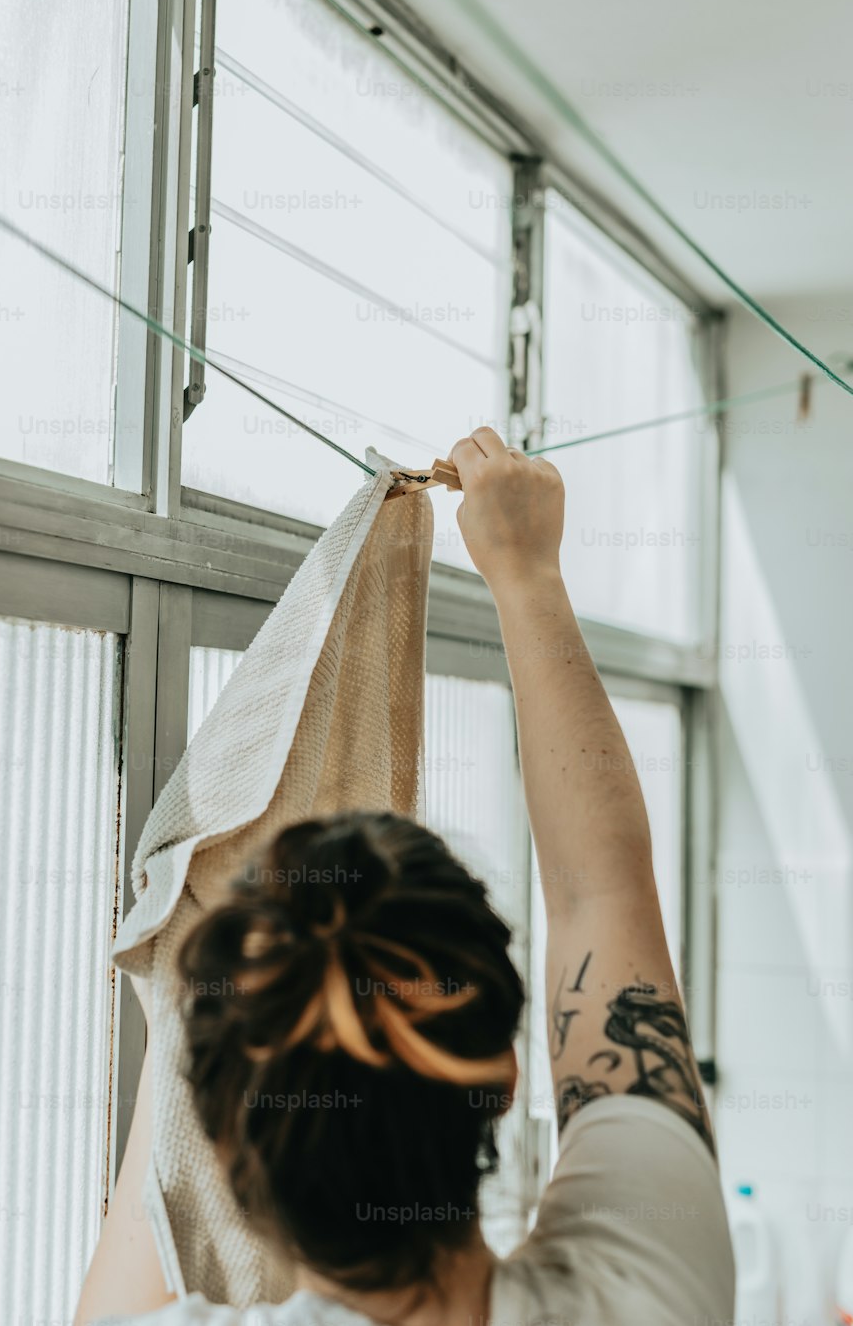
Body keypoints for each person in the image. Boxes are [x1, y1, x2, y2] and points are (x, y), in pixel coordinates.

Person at [77, 427, 735, 1326]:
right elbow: (601, 893)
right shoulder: (651, 1287)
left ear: (228, 1153)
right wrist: (527, 574)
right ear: (503, 1077)